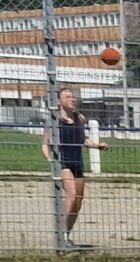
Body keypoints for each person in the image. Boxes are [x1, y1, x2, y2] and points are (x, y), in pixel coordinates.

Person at [41, 89, 104, 249]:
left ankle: (66, 235)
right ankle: (60, 234)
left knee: (78, 201)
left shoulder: (79, 118)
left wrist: (97, 146)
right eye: (67, 97)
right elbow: (45, 144)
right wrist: (50, 160)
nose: (72, 99)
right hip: (63, 163)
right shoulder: (54, 121)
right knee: (72, 194)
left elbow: (83, 140)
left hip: (78, 163)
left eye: (73, 97)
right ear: (58, 101)